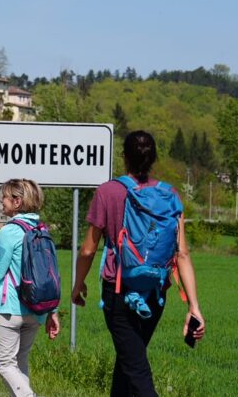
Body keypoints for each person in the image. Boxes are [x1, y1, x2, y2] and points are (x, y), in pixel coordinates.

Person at [71, 130, 206, 397]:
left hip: (119, 291)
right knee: (129, 362)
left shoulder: (108, 192)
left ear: (124, 158)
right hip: (156, 293)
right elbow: (183, 255)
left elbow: (88, 249)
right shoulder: (169, 195)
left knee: (136, 369)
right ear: (153, 158)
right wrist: (194, 306)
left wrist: (77, 285)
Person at [0, 179, 60, 397]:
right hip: (36, 309)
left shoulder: (10, 231)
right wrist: (53, 311)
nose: (1, 201)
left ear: (17, 201)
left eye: (4, 197)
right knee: (20, 362)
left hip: (10, 308)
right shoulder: (43, 230)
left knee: (3, 363)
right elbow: (51, 274)